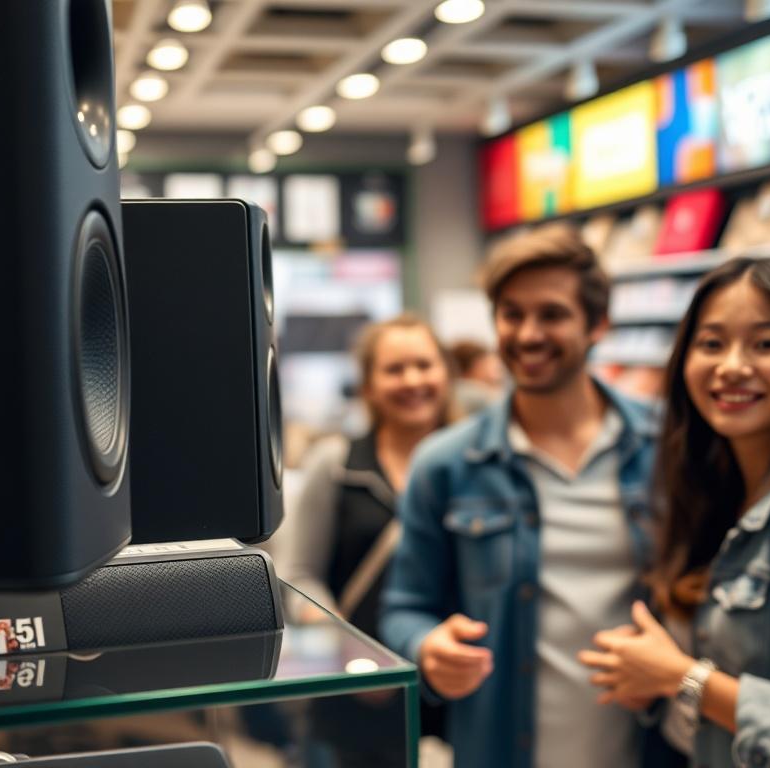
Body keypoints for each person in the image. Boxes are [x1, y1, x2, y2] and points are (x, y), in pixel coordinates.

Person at [380, 224, 661, 767]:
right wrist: (427, 648)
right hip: (500, 749)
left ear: (598, 323)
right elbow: (403, 608)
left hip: (646, 749)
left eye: (552, 314)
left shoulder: (666, 448)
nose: (528, 334)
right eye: (512, 314)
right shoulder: (447, 463)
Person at [580, 257, 770, 767]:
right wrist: (652, 682)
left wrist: (681, 677)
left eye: (766, 344)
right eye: (711, 343)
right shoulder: (710, 488)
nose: (732, 366)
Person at [278, 312, 457, 765]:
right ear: (370, 385)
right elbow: (299, 577)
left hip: (456, 685)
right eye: (394, 369)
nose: (412, 380)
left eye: (424, 364)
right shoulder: (336, 464)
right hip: (358, 690)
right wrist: (346, 649)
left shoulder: (473, 465)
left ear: (446, 373)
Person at [448, 339, 505, 414]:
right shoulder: (475, 394)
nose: (498, 373)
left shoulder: (453, 390)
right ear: (476, 366)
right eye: (488, 365)